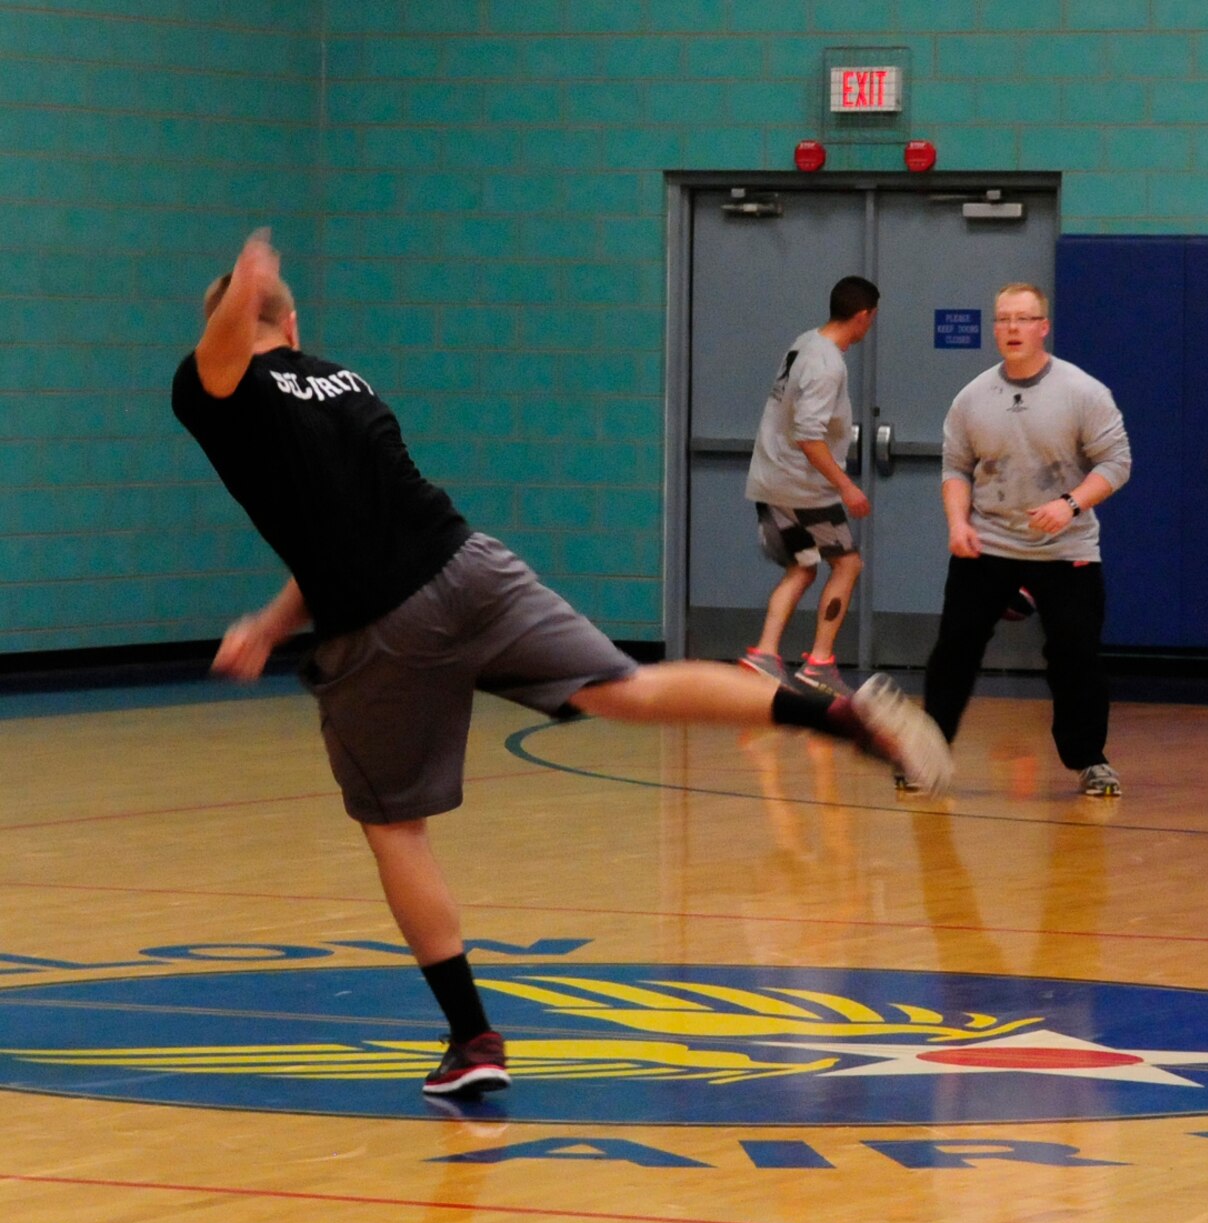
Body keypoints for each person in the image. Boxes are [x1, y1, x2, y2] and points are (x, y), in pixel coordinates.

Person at [170, 230, 950, 1099]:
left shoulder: (223, 388)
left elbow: (231, 375)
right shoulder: (346, 383)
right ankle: (833, 715)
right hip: (469, 567)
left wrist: (243, 281)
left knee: (396, 830)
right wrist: (272, 622)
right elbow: (346, 532)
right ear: (296, 324)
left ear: (233, 328)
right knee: (626, 688)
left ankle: (473, 1037)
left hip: (381, 632)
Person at [916, 282, 1132, 798]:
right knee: (954, 651)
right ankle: (926, 755)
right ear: (995, 329)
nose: (1012, 328)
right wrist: (958, 523)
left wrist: (1069, 504)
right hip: (987, 545)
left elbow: (1116, 463)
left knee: (1076, 654)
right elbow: (956, 468)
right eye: (1003, 319)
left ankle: (1089, 760)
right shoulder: (972, 398)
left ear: (1043, 327)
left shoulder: (1083, 392)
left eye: (1023, 319)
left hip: (1065, 549)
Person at [739, 276, 878, 697]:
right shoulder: (826, 365)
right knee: (847, 565)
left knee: (802, 568)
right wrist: (847, 487)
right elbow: (808, 437)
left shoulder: (805, 342)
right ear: (863, 316)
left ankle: (765, 655)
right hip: (803, 489)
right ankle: (819, 663)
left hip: (770, 479)